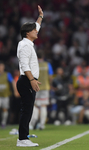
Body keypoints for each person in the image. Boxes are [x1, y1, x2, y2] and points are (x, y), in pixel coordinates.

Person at [16, 5, 43, 147]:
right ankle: (22, 139)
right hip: (26, 80)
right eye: (33, 30)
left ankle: (23, 137)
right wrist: (32, 80)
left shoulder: (28, 42)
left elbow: (37, 27)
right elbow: (24, 65)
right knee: (27, 110)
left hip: (28, 80)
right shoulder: (25, 45)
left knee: (28, 109)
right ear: (27, 33)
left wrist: (40, 16)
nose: (36, 31)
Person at [29, 51, 53, 130]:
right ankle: (42, 125)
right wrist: (49, 84)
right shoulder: (47, 64)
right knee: (43, 105)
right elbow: (50, 77)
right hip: (45, 87)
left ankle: (32, 124)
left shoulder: (34, 64)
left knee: (34, 105)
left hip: (36, 87)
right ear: (43, 56)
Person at [0, 62, 18, 127]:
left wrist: (15, 90)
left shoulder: (7, 74)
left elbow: (13, 82)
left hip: (5, 95)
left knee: (5, 109)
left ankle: (3, 122)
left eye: (2, 67)